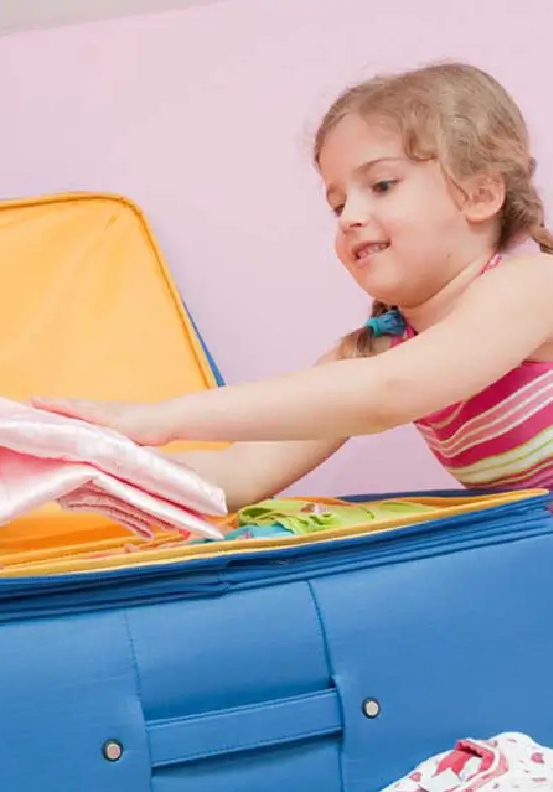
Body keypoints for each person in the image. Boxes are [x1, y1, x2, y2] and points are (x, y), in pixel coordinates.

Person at [33, 62, 553, 512]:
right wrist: (100, 464)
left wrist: (159, 418)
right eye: (337, 203)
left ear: (481, 194)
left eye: (382, 186)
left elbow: (392, 391)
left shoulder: (531, 287)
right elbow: (241, 475)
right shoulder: (379, 351)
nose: (351, 216)